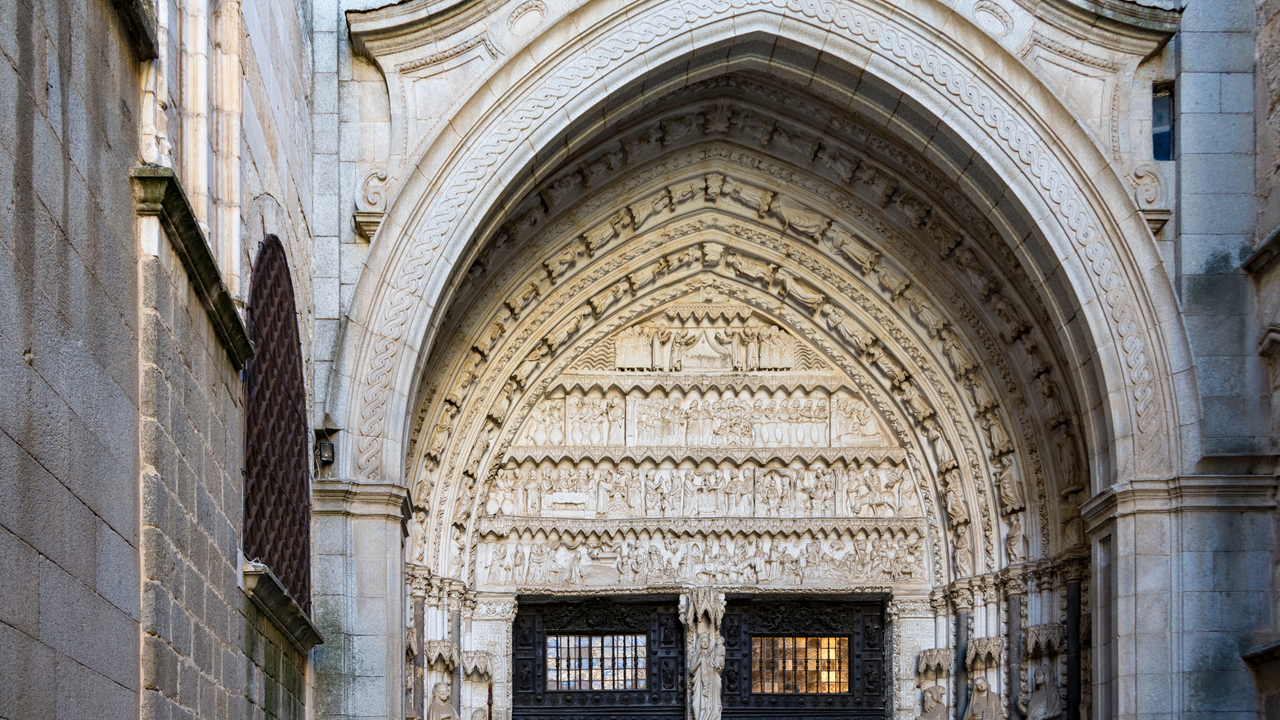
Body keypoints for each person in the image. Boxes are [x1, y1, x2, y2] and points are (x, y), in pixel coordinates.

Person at [688, 631, 725, 720]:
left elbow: (718, 669)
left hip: (712, 685)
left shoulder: (713, 655)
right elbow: (692, 671)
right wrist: (699, 661)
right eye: (703, 641)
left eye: (707, 641)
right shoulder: (696, 656)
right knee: (696, 704)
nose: (705, 643)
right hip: (700, 685)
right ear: (699, 643)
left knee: (712, 707)